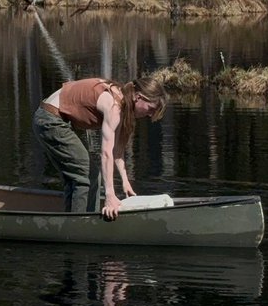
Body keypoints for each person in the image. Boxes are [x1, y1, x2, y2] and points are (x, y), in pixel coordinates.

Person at [32, 75, 168, 220]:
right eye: (151, 109)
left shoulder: (123, 103)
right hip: (50, 120)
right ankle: (80, 225)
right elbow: (106, 153)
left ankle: (72, 219)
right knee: (87, 174)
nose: (150, 114)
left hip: (54, 119)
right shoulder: (114, 106)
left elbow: (117, 151)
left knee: (76, 176)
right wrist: (109, 195)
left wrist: (125, 181)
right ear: (139, 97)